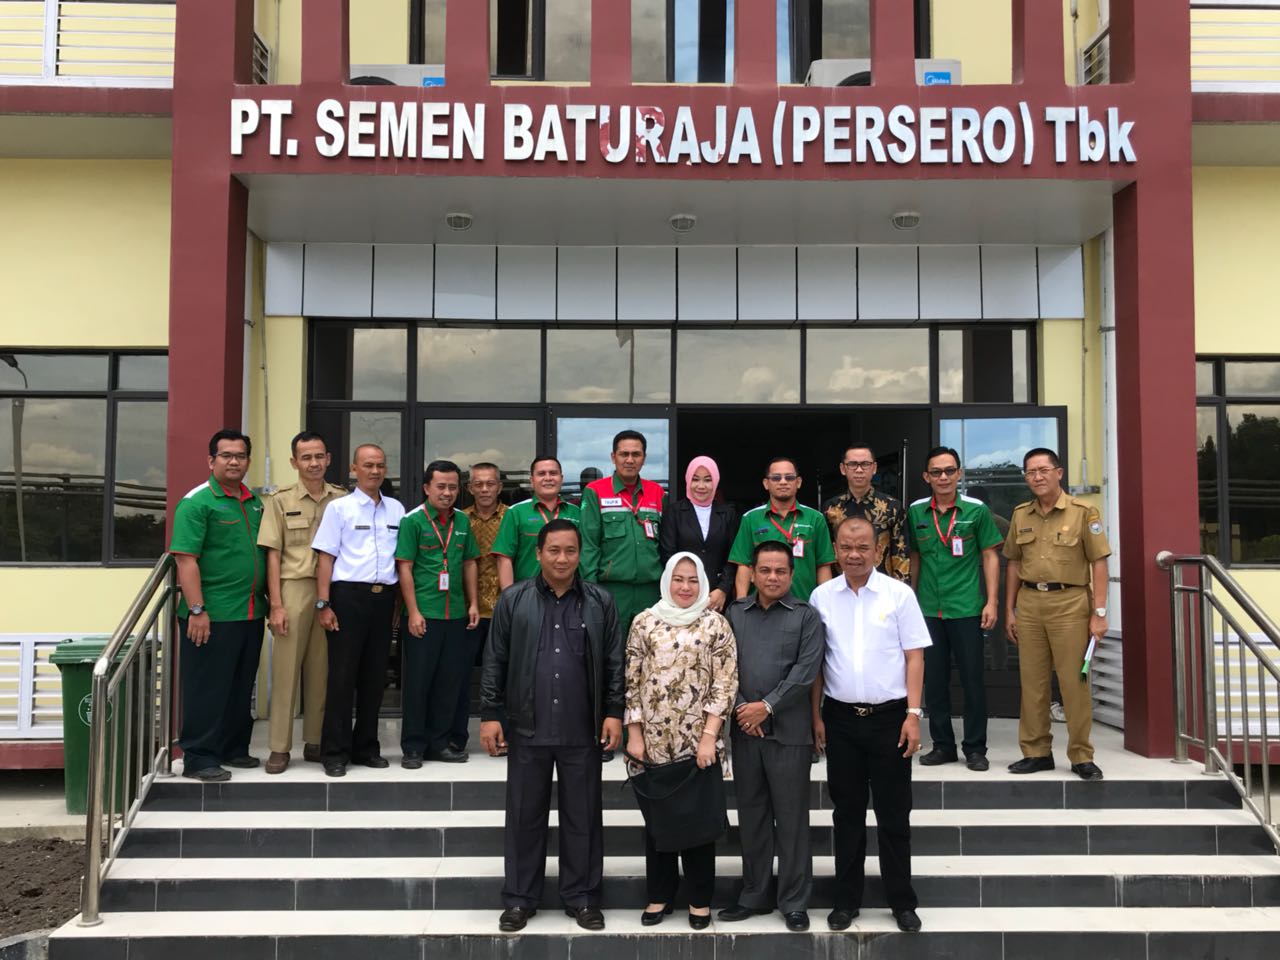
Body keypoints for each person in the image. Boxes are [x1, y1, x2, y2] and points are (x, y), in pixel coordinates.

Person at [479, 519, 624, 933]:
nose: (562, 559)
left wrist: (614, 711)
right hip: (528, 727)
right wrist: (490, 714)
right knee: (524, 816)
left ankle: (583, 897)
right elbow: (495, 660)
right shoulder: (513, 600)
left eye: (570, 551)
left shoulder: (600, 601)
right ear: (539, 553)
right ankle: (519, 899)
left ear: (581, 554)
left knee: (583, 817)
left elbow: (614, 661)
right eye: (554, 550)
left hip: (582, 728)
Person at [810, 516, 930, 933]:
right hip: (841, 719)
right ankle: (846, 901)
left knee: (894, 814)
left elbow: (915, 657)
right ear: (835, 550)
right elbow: (817, 663)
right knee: (847, 814)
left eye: (863, 547)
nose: (854, 554)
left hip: (890, 720)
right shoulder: (822, 597)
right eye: (846, 547)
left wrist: (913, 715)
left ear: (878, 550)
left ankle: (902, 902)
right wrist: (816, 716)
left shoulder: (899, 595)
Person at [625, 552, 738, 930]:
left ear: (702, 582)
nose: (685, 587)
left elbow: (725, 683)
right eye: (678, 579)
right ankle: (659, 895)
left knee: (697, 823)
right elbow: (632, 681)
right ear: (667, 581)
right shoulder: (644, 621)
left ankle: (699, 901)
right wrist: (634, 734)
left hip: (698, 744)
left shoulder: (715, 624)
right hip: (653, 742)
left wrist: (709, 738)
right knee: (659, 823)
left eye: (692, 579)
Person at [719, 541, 825, 932]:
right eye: (765, 570)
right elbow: (724, 667)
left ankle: (794, 901)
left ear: (792, 574)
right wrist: (743, 709)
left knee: (792, 820)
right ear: (752, 573)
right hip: (746, 732)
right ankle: (754, 894)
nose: (773, 577)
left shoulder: (806, 616)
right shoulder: (735, 613)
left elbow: (806, 671)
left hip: (789, 734)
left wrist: (766, 706)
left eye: (781, 570)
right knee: (752, 817)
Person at [1004, 447, 1111, 782]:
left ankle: (1081, 755)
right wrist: (1009, 609)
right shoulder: (1021, 514)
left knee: (1073, 683)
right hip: (1030, 604)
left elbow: (1099, 562)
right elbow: (1014, 562)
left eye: (1043, 470)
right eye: (1030, 472)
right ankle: (1036, 752)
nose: (1037, 477)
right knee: (1032, 683)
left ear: (1059, 473)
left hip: (1071, 604)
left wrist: (1099, 613)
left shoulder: (1084, 512)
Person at [169, 429, 267, 782]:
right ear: (211, 461)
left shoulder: (255, 503)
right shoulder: (197, 502)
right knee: (207, 688)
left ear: (248, 461)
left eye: (240, 456)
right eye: (226, 455)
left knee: (240, 686)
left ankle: (232, 748)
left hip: (251, 612)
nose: (234, 462)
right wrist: (197, 609)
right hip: (211, 615)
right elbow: (186, 559)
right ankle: (199, 757)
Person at [256, 431, 348, 775]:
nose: (314, 463)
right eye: (306, 457)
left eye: (319, 456)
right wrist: (276, 605)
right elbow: (273, 554)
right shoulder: (279, 501)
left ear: (329, 459)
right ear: (294, 462)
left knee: (322, 671)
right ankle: (279, 747)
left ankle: (315, 740)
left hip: (332, 590)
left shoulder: (342, 499)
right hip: (294, 588)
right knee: (285, 672)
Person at [907, 446, 1003, 772]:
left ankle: (975, 748)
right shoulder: (916, 512)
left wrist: (992, 601)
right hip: (929, 610)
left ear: (959, 474)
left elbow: (990, 555)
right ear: (926, 476)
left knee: (972, 681)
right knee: (934, 682)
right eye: (936, 472)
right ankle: (943, 746)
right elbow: (915, 557)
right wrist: (911, 600)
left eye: (949, 470)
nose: (943, 477)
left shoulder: (976, 511)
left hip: (966, 608)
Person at [311, 443, 404, 778]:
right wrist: (324, 603)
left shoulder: (396, 509)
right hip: (348, 598)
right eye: (367, 465)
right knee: (342, 677)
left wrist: (397, 604)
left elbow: (400, 560)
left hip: (383, 599)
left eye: (380, 465)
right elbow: (326, 558)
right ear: (354, 469)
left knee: (375, 678)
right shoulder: (340, 509)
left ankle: (366, 747)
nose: (374, 471)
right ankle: (334, 752)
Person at [395, 459, 481, 767]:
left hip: (455, 613)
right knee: (418, 683)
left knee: (449, 682)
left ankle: (440, 744)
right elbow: (405, 568)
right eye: (441, 486)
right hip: (424, 613)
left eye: (453, 487)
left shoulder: (463, 521)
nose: (447, 493)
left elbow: (469, 563)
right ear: (426, 488)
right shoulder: (412, 521)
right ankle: (413, 747)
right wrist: (413, 612)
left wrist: (473, 603)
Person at [580, 430, 667, 637]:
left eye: (636, 454)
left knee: (651, 649)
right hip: (611, 592)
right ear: (613, 457)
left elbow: (666, 544)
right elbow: (589, 546)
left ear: (644, 458)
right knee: (611, 651)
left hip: (651, 593)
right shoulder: (595, 491)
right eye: (624, 454)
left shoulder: (657, 492)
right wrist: (590, 592)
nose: (629, 460)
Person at [730, 456, 835, 602]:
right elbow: (744, 565)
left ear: (798, 482)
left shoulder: (815, 518)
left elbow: (823, 565)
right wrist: (741, 604)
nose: (783, 482)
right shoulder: (750, 518)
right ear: (766, 483)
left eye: (789, 477)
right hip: (761, 608)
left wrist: (826, 604)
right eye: (776, 478)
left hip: (804, 605)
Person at [454, 462, 506, 753]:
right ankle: (457, 739)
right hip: (468, 611)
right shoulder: (460, 519)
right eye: (478, 484)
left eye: (490, 483)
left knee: (505, 677)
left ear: (499, 487)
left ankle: (504, 736)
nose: (484, 489)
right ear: (470, 488)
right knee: (460, 676)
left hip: (504, 611)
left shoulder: (512, 517)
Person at [659, 456, 739, 613]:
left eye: (707, 480)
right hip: (683, 594)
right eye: (695, 479)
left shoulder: (728, 514)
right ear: (688, 480)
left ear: (715, 482)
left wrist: (723, 589)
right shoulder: (674, 512)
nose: (701, 486)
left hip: (716, 598)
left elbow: (733, 557)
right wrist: (684, 587)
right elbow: (668, 554)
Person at [822, 443, 910, 582]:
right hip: (842, 586)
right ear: (843, 469)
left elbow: (901, 555)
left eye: (865, 464)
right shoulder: (831, 508)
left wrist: (900, 590)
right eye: (852, 464)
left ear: (874, 468)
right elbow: (825, 556)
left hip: (882, 587)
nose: (859, 470)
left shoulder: (892, 507)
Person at [494, 456, 582, 590]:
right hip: (527, 594)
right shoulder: (515, 513)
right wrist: (510, 597)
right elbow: (504, 559)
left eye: (553, 473)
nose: (548, 478)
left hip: (569, 594)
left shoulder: (576, 513)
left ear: (561, 478)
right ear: (532, 480)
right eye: (541, 474)